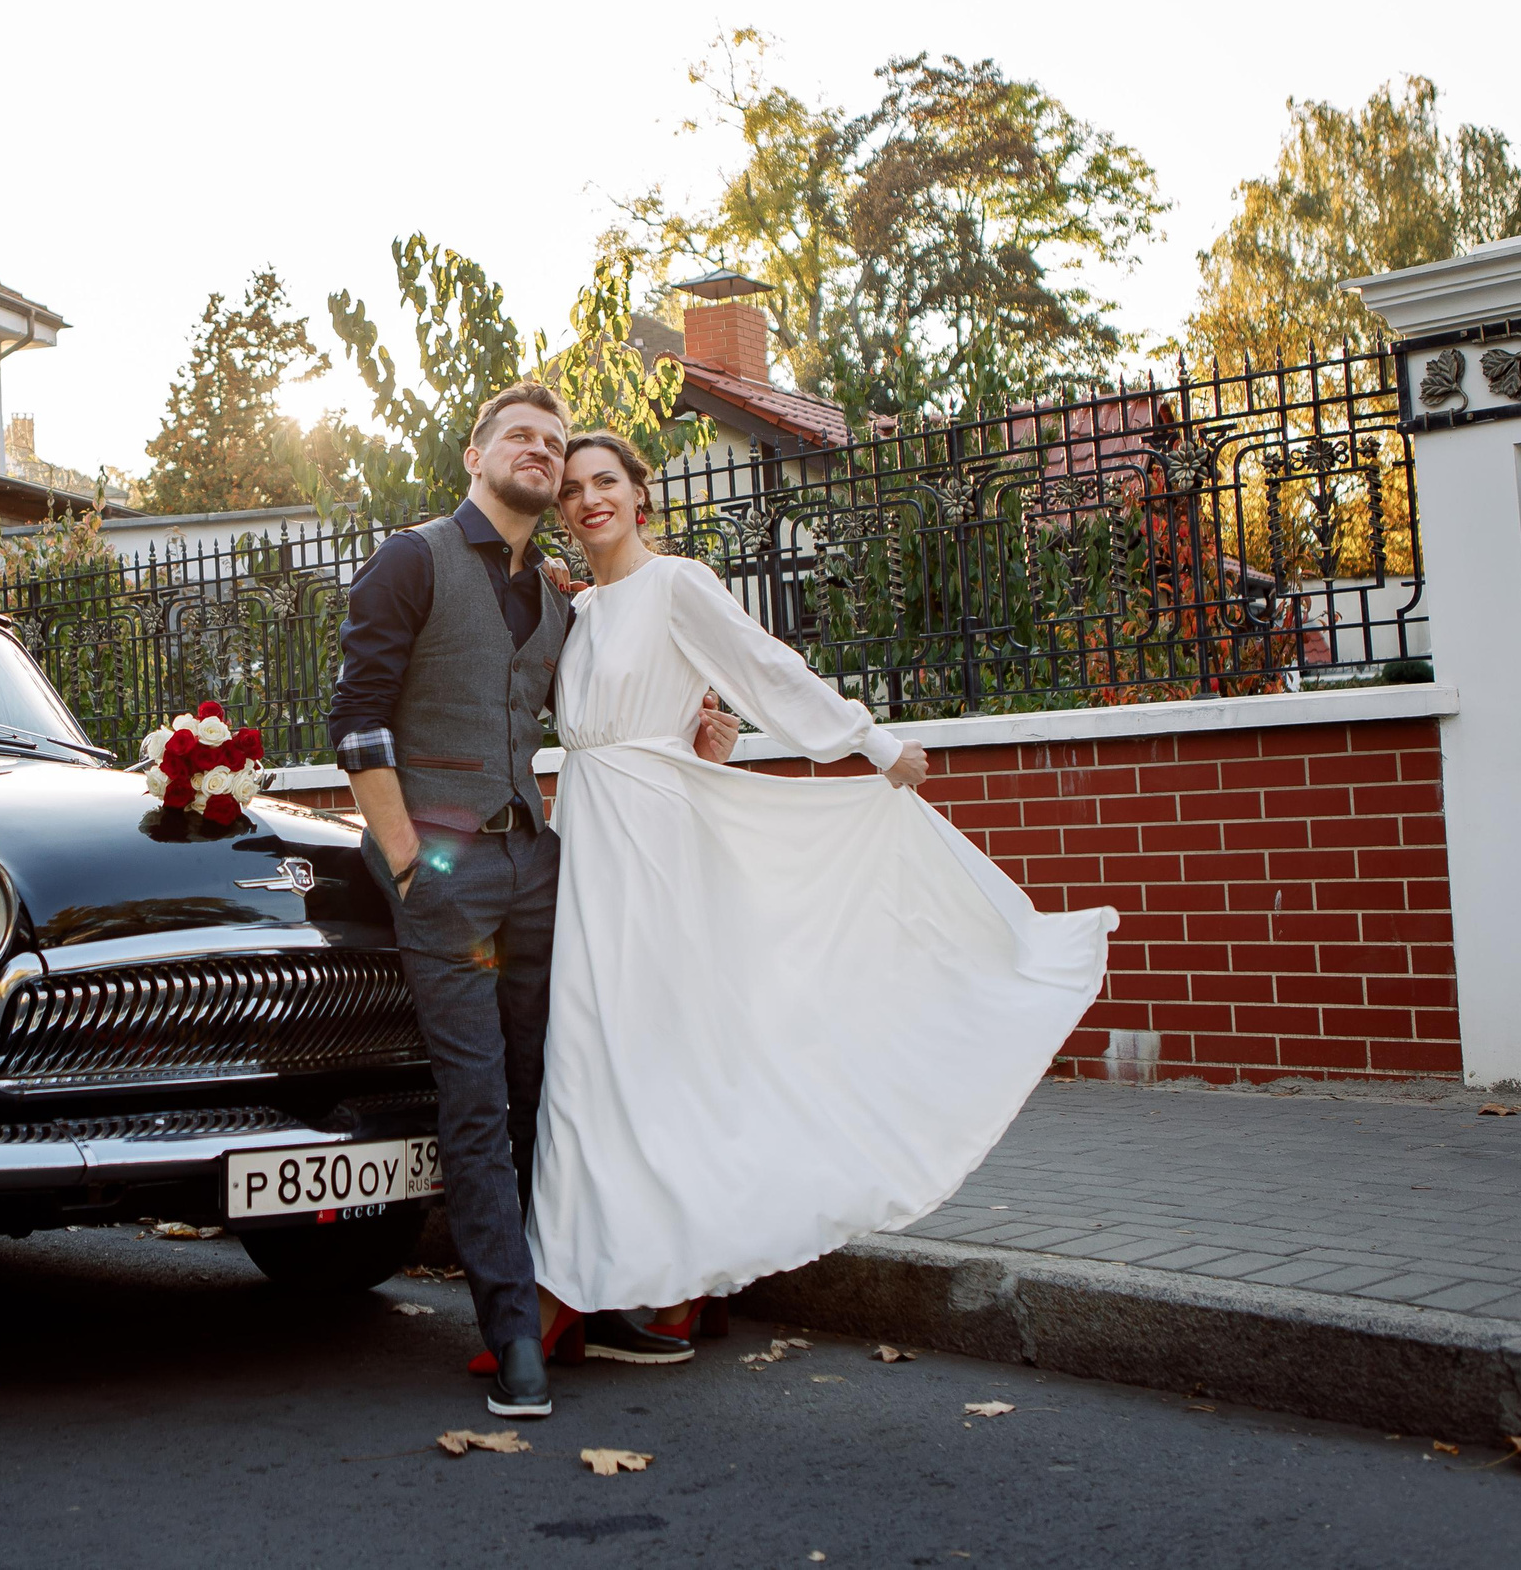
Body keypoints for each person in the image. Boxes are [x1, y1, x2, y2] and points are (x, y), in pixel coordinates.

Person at [521, 432, 1117, 1345]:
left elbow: (765, 667)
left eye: (606, 481)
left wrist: (872, 746)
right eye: (571, 488)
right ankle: (623, 1275)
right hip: (589, 835)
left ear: (641, 494)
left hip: (653, 850)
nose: (587, 498)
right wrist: (690, 739)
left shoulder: (679, 582)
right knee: (591, 1056)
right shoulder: (585, 608)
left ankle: (593, 1289)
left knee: (631, 1054)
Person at [328, 384, 739, 1417]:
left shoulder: (557, 596)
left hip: (539, 868)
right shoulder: (410, 559)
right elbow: (355, 722)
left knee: (552, 1087)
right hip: (448, 879)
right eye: (522, 436)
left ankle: (588, 1287)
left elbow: (605, 701)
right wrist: (408, 859)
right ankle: (512, 1329)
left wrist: (694, 734)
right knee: (475, 1103)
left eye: (555, 446)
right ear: (475, 451)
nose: (541, 454)